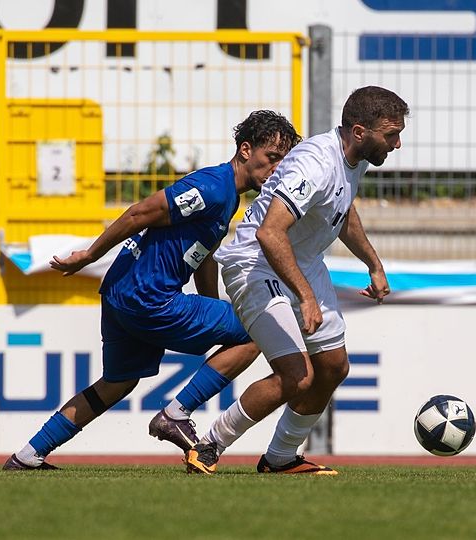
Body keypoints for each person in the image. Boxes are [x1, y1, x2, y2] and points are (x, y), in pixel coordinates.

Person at [3, 111, 300, 470]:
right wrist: (90, 254)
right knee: (255, 330)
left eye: (283, 160)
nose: (277, 167)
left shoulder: (227, 197)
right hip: (148, 297)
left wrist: (210, 305)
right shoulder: (212, 187)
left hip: (121, 292)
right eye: (272, 157)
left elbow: (204, 255)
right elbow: (140, 213)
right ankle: (176, 414)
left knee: (117, 383)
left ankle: (27, 456)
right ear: (246, 150)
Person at [184, 86, 409, 475]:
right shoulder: (316, 163)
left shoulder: (354, 160)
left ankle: (281, 458)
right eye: (391, 135)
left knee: (333, 366)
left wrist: (373, 264)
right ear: (359, 132)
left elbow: (342, 210)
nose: (397, 144)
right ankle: (208, 445)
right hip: (255, 263)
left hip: (300, 261)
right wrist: (305, 296)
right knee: (297, 376)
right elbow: (269, 233)